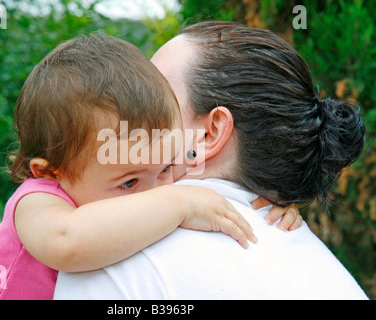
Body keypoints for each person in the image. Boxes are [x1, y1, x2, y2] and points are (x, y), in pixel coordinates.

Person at [0, 32, 299, 300]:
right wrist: (182, 203)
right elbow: (66, 242)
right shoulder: (37, 201)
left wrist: (269, 202)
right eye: (129, 183)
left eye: (165, 168)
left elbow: (215, 184)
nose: (157, 192)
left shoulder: (142, 174)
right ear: (52, 171)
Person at [54, 21, 368, 299]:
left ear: (209, 133)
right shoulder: (322, 268)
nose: (128, 104)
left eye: (155, 93)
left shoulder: (109, 256)